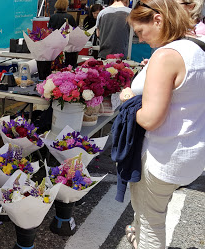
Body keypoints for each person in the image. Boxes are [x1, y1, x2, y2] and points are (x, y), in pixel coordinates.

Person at [119, 0, 205, 248]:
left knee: (150, 223)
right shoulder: (197, 48)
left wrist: (127, 102)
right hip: (189, 153)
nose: (141, 39)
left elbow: (150, 119)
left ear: (158, 19)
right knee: (153, 213)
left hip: (161, 155)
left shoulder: (166, 56)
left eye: (140, 32)